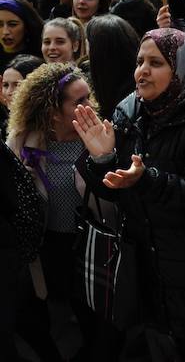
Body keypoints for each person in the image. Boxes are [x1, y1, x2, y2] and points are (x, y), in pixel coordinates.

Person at [71, 28, 185, 360]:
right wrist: (102, 159)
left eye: (156, 62)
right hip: (147, 269)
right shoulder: (130, 111)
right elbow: (115, 190)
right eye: (139, 62)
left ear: (182, 69)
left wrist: (146, 180)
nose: (142, 71)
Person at [8, 63, 121, 361]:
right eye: (79, 102)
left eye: (88, 98)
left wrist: (103, 157)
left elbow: (115, 199)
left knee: (95, 320)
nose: (89, 107)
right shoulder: (23, 141)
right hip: (47, 247)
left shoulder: (104, 135)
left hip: (91, 246)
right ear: (53, 112)